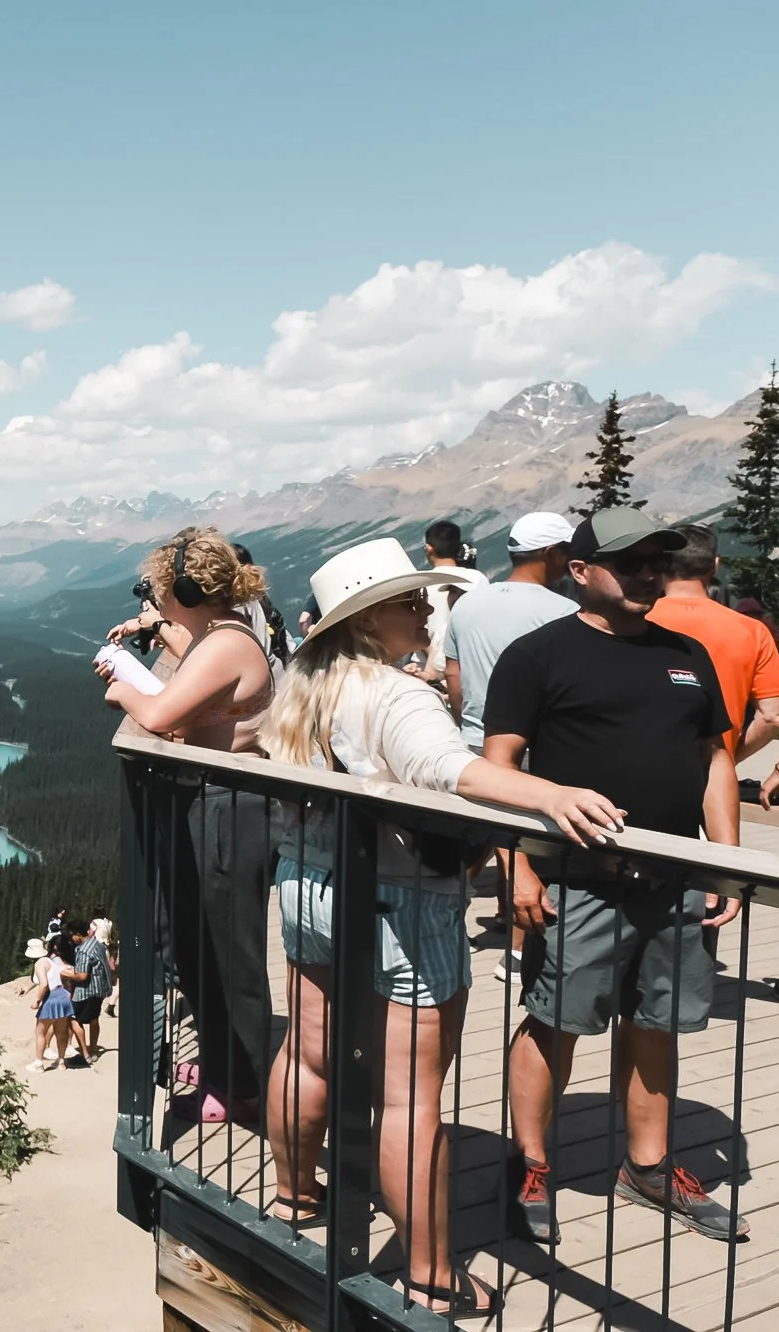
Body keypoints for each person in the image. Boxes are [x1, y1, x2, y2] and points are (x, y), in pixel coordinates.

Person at [261, 537, 622, 1318]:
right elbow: (442, 768)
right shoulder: (397, 695)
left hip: (305, 881)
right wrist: (545, 796)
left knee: (309, 1051)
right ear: (366, 620)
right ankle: (431, 1275)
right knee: (411, 1099)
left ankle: (292, 1197)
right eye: (406, 600)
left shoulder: (305, 681)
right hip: (403, 898)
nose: (426, 607)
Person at [488, 507, 748, 1246]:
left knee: (657, 1020)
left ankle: (649, 1165)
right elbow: (497, 769)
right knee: (555, 1020)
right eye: (631, 560)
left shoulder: (687, 652)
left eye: (658, 561)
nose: (647, 573)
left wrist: (723, 859)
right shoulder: (537, 655)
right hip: (577, 877)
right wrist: (517, 868)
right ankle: (530, 1162)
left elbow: (714, 759)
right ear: (579, 570)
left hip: (672, 878)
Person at [101, 527, 278, 1123]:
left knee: (231, 954)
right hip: (213, 802)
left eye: (159, 587)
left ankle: (243, 1086)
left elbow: (158, 715)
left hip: (229, 808)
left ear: (186, 587)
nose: (154, 596)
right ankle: (224, 1070)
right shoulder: (219, 634)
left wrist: (124, 688)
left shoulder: (228, 643)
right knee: (203, 950)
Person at [442, 511, 578, 984]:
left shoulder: (468, 605)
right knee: (528, 848)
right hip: (533, 749)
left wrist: (467, 722)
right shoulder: (563, 613)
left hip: (475, 741)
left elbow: (454, 679)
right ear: (551, 554)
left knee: (484, 843)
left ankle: (449, 923)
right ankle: (519, 952)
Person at [648, 523, 779, 761]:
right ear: (715, 564)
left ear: (662, 564)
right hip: (716, 782)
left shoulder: (635, 622)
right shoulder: (753, 631)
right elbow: (772, 717)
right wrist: (728, 759)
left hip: (643, 772)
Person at [413, 519, 487, 683]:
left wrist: (434, 660)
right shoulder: (477, 579)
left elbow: (414, 627)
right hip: (469, 665)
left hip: (425, 668)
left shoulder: (421, 584)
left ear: (429, 548)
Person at [63, 914, 112, 1063]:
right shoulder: (97, 944)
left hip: (86, 990)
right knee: (93, 1018)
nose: (71, 938)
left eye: (72, 935)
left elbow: (83, 976)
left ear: (78, 934)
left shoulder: (83, 951)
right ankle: (94, 1049)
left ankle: (85, 1054)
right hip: (101, 988)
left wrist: (69, 974)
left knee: (73, 1019)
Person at [26, 934, 75, 1071]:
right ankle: (61, 1062)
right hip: (63, 997)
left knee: (40, 1032)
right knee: (61, 1032)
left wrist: (37, 1001)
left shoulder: (40, 963)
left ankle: (38, 1064)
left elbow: (43, 984)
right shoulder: (54, 961)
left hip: (51, 998)